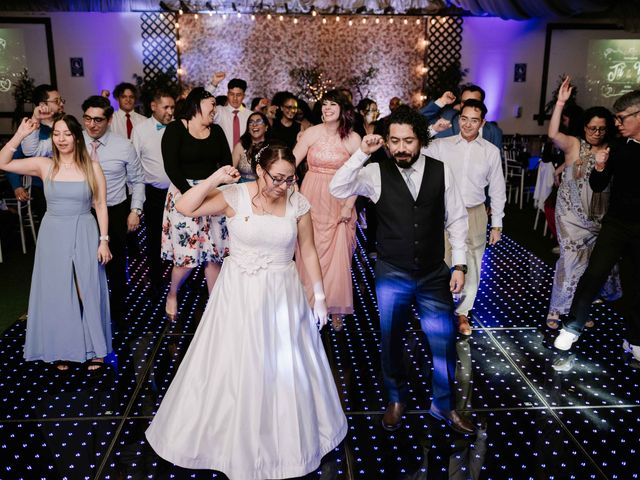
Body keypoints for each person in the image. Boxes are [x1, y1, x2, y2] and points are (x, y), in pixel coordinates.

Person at [146, 143, 347, 478]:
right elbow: (184, 206)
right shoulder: (235, 196)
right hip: (238, 292)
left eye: (289, 179)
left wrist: (321, 295)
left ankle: (285, 443)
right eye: (277, 178)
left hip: (282, 292)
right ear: (259, 169)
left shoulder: (297, 202)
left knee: (282, 366)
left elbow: (308, 251)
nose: (283, 186)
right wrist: (214, 178)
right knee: (233, 364)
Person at [329, 105, 475, 434]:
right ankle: (395, 399)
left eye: (407, 141)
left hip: (433, 272)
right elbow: (337, 189)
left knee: (444, 340)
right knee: (391, 338)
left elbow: (457, 220)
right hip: (392, 272)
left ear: (420, 140)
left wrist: (460, 264)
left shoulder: (441, 170)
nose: (400, 148)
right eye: (394, 141)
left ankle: (444, 405)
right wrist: (360, 155)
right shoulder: (375, 172)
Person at [0, 115, 112, 371]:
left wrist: (103, 241)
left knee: (88, 287)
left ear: (76, 136)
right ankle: (62, 348)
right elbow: (2, 162)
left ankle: (95, 348)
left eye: (67, 134)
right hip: (53, 231)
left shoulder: (92, 167)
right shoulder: (44, 165)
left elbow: (100, 205)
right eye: (57, 134)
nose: (61, 139)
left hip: (84, 227)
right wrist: (19, 134)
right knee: (58, 290)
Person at [554, 89, 640, 362]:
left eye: (622, 117)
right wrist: (601, 168)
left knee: (636, 283)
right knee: (593, 274)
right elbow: (598, 185)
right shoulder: (618, 147)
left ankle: (635, 339)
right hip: (615, 224)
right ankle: (572, 327)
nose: (617, 122)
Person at [423, 99, 506, 336]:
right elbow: (418, 146)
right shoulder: (443, 144)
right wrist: (433, 129)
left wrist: (497, 224)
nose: (468, 124)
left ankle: (462, 314)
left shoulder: (490, 151)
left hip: (474, 211)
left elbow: (498, 190)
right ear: (459, 119)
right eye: (464, 118)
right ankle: (438, 310)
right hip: (444, 211)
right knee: (440, 261)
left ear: (482, 123)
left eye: (474, 120)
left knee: (471, 264)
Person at [545, 77, 621, 330]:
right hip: (570, 216)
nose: (596, 133)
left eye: (601, 129)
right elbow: (553, 134)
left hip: (599, 216)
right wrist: (560, 103)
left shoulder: (613, 149)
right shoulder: (575, 145)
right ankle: (557, 309)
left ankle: (579, 309)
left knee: (588, 266)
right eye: (592, 128)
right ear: (584, 127)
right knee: (569, 261)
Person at [161, 87, 233, 320]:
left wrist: (218, 188)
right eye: (212, 103)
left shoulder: (218, 131)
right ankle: (172, 293)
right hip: (184, 195)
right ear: (197, 104)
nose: (215, 109)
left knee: (214, 253)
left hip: (213, 195)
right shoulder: (175, 129)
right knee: (187, 257)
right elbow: (171, 167)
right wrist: (191, 194)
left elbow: (226, 163)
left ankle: (215, 307)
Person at [293, 89, 361, 331]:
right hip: (310, 195)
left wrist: (348, 204)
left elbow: (359, 175)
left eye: (332, 104)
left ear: (343, 109)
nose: (327, 108)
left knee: (337, 253)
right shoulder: (311, 133)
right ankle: (308, 302)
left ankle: (334, 307)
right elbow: (291, 163)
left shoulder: (353, 138)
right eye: (324, 105)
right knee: (307, 249)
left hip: (339, 198)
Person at [82, 95, 145, 321]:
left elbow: (138, 180)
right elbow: (35, 151)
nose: (92, 125)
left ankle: (118, 313)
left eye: (98, 120)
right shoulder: (74, 142)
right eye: (87, 119)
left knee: (116, 265)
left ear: (109, 120)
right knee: (85, 264)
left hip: (115, 210)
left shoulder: (123, 146)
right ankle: (88, 312)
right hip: (83, 212)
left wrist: (134, 210)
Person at [131, 90, 176, 294]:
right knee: (154, 238)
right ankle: (156, 281)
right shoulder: (140, 130)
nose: (169, 111)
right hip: (154, 194)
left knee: (179, 236)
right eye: (165, 107)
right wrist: (136, 200)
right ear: (153, 107)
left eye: (172, 107)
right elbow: (134, 163)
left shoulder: (178, 127)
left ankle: (178, 280)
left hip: (178, 193)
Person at [10, 85, 66, 222]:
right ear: (43, 105)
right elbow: (13, 158)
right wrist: (17, 186)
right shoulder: (29, 129)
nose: (62, 104)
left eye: (61, 100)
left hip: (67, 181)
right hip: (42, 186)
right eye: (57, 101)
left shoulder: (65, 124)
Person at [420, 85, 503, 150]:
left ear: (482, 104)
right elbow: (418, 120)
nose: (468, 106)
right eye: (465, 102)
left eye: (473, 102)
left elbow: (494, 164)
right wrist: (442, 101)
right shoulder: (447, 117)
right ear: (460, 103)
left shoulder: (494, 132)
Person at [210, 73, 253, 153]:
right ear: (227, 94)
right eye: (232, 94)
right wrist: (214, 83)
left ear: (244, 96)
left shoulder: (250, 115)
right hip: (223, 159)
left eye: (238, 95)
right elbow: (201, 102)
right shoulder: (219, 111)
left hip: (245, 159)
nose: (235, 98)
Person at [231, 111, 269, 182]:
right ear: (248, 129)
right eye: (251, 122)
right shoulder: (240, 146)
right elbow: (230, 171)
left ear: (266, 127)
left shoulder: (272, 147)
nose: (254, 125)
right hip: (243, 188)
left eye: (258, 121)